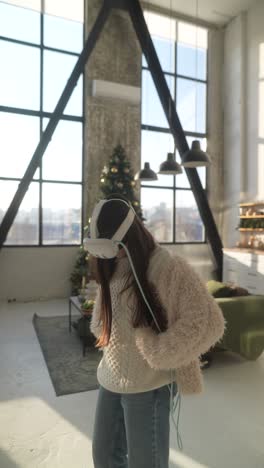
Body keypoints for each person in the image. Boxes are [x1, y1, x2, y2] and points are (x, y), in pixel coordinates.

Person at [87, 194, 225, 468]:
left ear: (130, 234)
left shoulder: (166, 266)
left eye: (114, 246)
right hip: (111, 376)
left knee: (145, 463)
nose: (109, 253)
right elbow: (106, 314)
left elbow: (209, 320)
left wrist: (159, 351)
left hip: (148, 384)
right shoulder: (111, 262)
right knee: (104, 456)